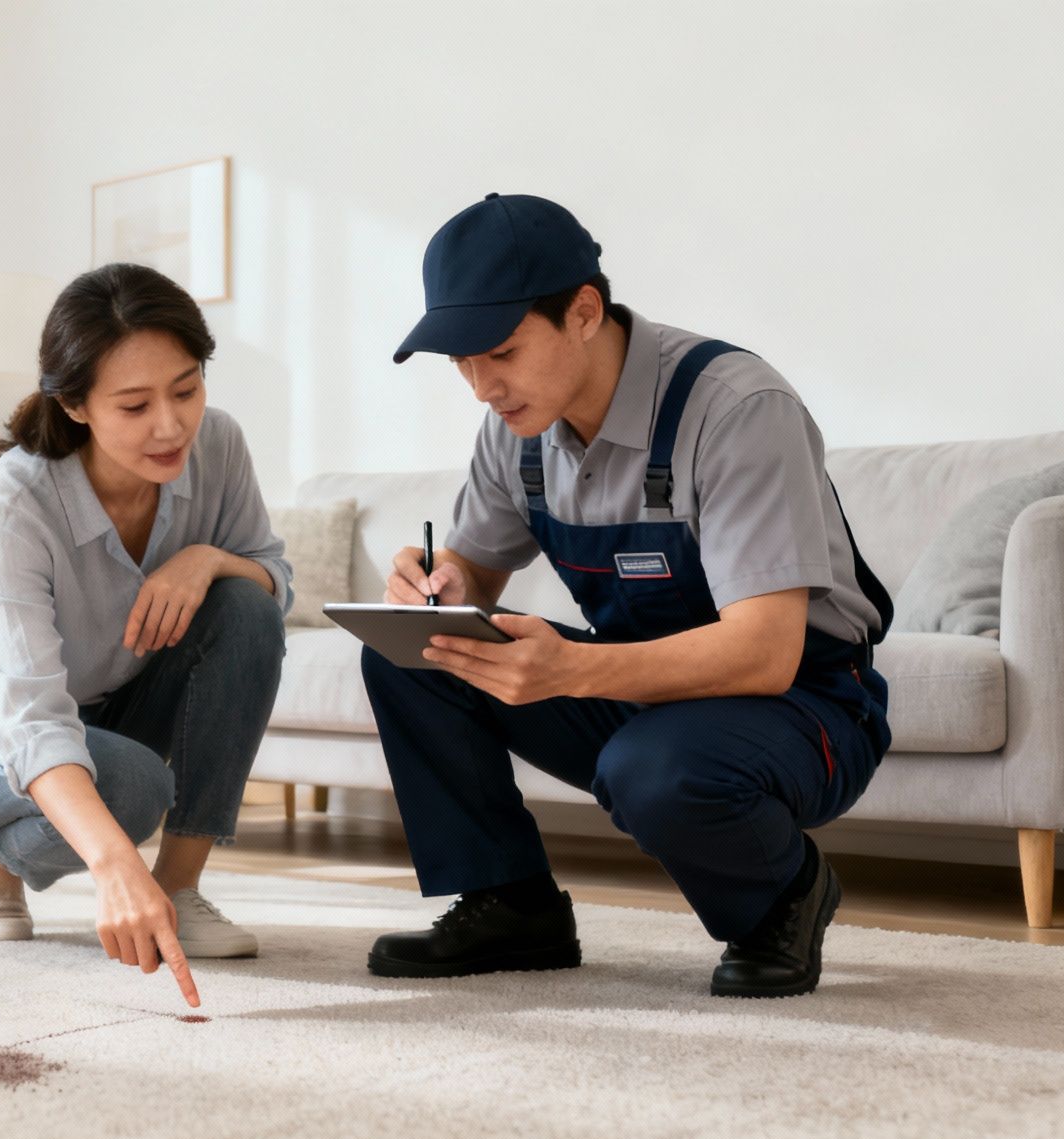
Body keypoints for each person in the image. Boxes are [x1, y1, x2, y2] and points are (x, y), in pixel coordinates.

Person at [362, 194, 893, 998]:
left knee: (653, 766)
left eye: (500, 352)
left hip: (806, 702)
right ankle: (511, 904)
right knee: (414, 654)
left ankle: (782, 894)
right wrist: (439, 584)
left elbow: (765, 651)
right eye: (461, 363)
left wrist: (570, 670)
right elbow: (475, 573)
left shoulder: (738, 409)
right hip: (639, 689)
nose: (481, 388)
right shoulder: (517, 429)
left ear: (583, 311)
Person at [0, 262, 291, 1008]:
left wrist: (208, 561)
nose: (171, 424)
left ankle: (179, 889)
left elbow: (276, 578)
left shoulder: (219, 445)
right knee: (134, 787)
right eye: (135, 404)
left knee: (246, 607)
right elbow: (30, 719)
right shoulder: (14, 503)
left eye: (186, 388)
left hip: (113, 707)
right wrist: (118, 868)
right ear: (76, 405)